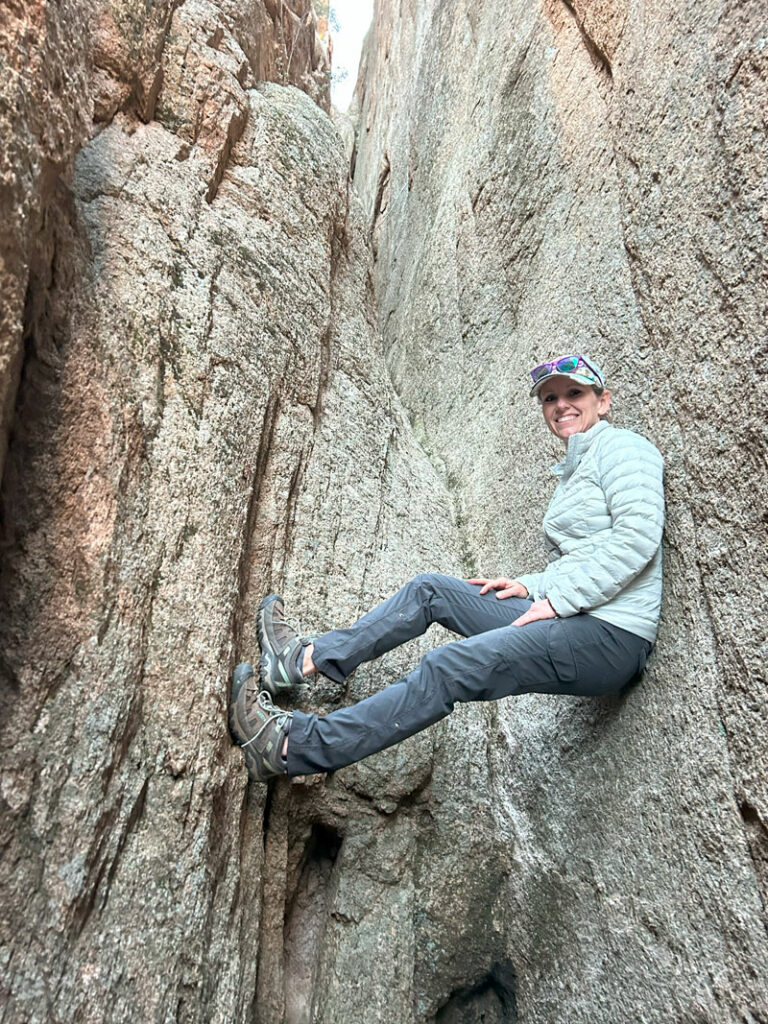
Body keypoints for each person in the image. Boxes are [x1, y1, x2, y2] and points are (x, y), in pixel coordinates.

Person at [228, 354, 665, 782]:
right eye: (550, 399)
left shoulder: (625, 449)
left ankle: (288, 748)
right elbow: (583, 558)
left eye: (574, 393)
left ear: (602, 400)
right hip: (575, 615)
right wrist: (527, 585)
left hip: (610, 636)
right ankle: (299, 661)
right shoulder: (576, 468)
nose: (561, 405)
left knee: (448, 667)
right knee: (430, 591)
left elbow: (637, 538)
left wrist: (560, 600)